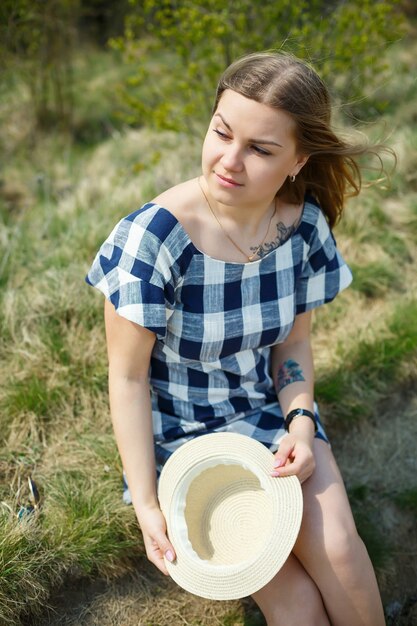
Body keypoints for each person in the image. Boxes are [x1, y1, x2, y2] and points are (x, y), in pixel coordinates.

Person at [86, 52, 388, 626]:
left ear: (299, 160)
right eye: (222, 132)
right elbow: (126, 380)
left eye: (261, 149)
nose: (229, 160)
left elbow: (292, 347)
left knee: (343, 555)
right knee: (297, 606)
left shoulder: (302, 227)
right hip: (185, 434)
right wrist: (148, 504)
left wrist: (301, 422)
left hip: (268, 411)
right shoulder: (152, 240)